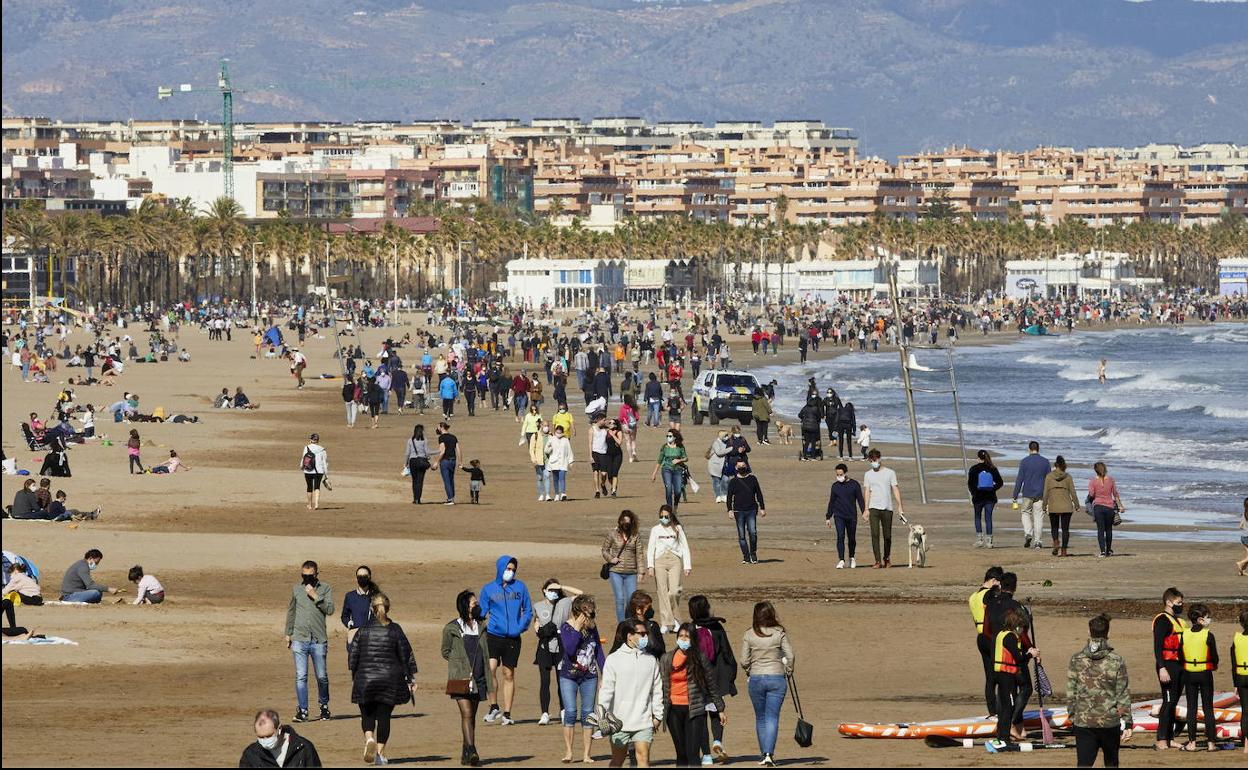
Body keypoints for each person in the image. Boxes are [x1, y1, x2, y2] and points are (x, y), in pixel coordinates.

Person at [349, 592, 418, 766]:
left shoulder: (363, 630)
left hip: (366, 678)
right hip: (390, 679)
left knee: (367, 714)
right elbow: (406, 654)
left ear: (372, 609)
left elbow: (353, 658)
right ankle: (379, 753)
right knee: (384, 717)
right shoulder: (395, 629)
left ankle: (369, 738)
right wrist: (411, 677)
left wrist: (356, 676)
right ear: (387, 608)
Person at [1067, 613, 1133, 769]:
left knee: (1083, 764)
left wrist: (1072, 716)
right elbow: (1122, 693)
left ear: (1089, 633)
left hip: (1084, 721)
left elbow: (1071, 692)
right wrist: (1128, 722)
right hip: (1109, 721)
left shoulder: (1076, 659)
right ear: (1108, 634)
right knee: (1111, 763)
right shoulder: (1116, 660)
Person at [599, 619, 664, 768]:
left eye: (646, 634)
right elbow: (607, 690)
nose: (645, 637)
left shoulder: (651, 659)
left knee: (643, 757)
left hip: (643, 720)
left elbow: (657, 689)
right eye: (641, 634)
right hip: (618, 721)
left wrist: (658, 715)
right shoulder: (614, 659)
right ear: (629, 635)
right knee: (618, 760)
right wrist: (602, 715)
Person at [479, 555, 534, 726]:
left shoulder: (520, 587)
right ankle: (493, 706)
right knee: (491, 669)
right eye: (508, 568)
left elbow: (528, 610)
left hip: (513, 638)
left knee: (508, 674)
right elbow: (482, 613)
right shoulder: (488, 589)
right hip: (494, 636)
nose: (510, 572)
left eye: (513, 569)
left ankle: (507, 713)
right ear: (500, 568)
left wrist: (521, 627)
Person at [662, 622, 726, 767]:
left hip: (695, 710)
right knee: (681, 753)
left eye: (687, 636)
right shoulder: (667, 658)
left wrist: (720, 709)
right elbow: (661, 686)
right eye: (681, 636)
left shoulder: (700, 658)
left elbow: (711, 684)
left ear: (693, 640)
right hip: (673, 710)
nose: (683, 639)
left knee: (693, 753)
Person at [443, 590, 490, 767]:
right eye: (473, 603)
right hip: (460, 678)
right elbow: (445, 651)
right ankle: (472, 750)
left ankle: (465, 753)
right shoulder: (452, 628)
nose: (476, 605)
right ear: (465, 606)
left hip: (478, 678)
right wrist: (459, 664)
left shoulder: (481, 626)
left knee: (471, 718)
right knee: (467, 714)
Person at [742, 601, 792, 768]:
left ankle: (764, 753)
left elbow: (743, 660)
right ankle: (770, 754)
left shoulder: (749, 634)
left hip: (756, 678)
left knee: (761, 718)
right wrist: (789, 669)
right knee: (772, 717)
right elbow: (790, 656)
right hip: (777, 677)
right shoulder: (779, 633)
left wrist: (749, 668)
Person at [689, 595, 739, 763]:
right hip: (717, 676)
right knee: (717, 711)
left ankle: (707, 756)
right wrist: (731, 675)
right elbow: (726, 652)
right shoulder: (716, 627)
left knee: (701, 716)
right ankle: (717, 740)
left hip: (698, 676)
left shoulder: (689, 629)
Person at [557, 595, 606, 763]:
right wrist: (577, 629)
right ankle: (569, 752)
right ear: (578, 613)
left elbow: (598, 651)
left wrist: (604, 674)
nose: (590, 619)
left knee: (588, 714)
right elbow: (570, 650)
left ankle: (586, 754)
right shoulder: (566, 627)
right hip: (568, 676)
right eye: (587, 615)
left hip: (589, 676)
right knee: (570, 712)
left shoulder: (593, 628)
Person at [284, 560, 334, 723]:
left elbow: (330, 609)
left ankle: (324, 707)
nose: (306, 579)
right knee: (301, 676)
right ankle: (303, 710)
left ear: (316, 574)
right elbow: (291, 611)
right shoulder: (296, 589)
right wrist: (288, 633)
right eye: (303, 576)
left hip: (318, 639)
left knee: (321, 676)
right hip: (299, 638)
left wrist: (315, 596)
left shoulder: (325, 588)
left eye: (309, 576)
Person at [533, 579, 581, 725]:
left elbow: (580, 594)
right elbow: (536, 622)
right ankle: (545, 713)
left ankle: (563, 710)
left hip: (561, 647)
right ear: (544, 590)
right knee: (545, 681)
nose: (553, 593)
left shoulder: (564, 603)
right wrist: (538, 631)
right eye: (550, 590)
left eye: (555, 591)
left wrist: (561, 586)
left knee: (562, 681)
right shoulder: (538, 606)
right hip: (545, 648)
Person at [991, 607, 1040, 745]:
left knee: (1006, 705)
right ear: (1017, 626)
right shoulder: (1010, 637)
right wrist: (1031, 654)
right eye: (1021, 628)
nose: (1022, 631)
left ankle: (1002, 735)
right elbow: (1019, 659)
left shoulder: (1002, 633)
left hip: (1001, 673)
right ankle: (1004, 738)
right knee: (1009, 707)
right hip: (1006, 675)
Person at [646, 505, 692, 634]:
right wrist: (651, 566)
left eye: (666, 516)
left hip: (674, 560)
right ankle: (666, 622)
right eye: (661, 516)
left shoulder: (678, 529)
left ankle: (676, 619)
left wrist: (687, 565)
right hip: (659, 560)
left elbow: (684, 546)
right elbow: (651, 548)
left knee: (674, 591)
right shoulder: (655, 530)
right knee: (662, 591)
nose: (664, 519)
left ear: (671, 516)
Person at [1152, 587, 1188, 750]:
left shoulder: (1180, 621)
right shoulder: (1162, 620)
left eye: (1182, 602)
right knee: (1168, 702)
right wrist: (1162, 668)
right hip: (1167, 665)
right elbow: (1158, 646)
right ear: (1168, 602)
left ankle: (1170, 738)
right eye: (1178, 602)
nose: (1181, 605)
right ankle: (1161, 739)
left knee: (1174, 702)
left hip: (1180, 665)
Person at [1180, 604, 1219, 751]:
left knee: (1192, 708)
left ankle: (1192, 743)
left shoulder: (1184, 634)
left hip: (1189, 674)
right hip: (1205, 673)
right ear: (1201, 619)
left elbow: (1180, 654)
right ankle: (1211, 743)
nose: (1209, 620)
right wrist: (1214, 665)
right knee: (1208, 708)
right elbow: (1214, 657)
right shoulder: (1208, 635)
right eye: (1207, 617)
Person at [970, 567, 1004, 717]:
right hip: (992, 637)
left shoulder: (972, 596)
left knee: (989, 678)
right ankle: (1001, 710)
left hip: (980, 637)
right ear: (993, 581)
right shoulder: (989, 595)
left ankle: (992, 711)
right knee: (1001, 675)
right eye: (999, 583)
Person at [238, 709, 322, 768]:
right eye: (261, 737)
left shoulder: (304, 748)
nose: (265, 740)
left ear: (279, 729)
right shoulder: (250, 755)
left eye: (269, 735)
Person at [862, 449, 904, 568]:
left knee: (887, 535)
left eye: (875, 460)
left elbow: (895, 489)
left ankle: (887, 557)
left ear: (879, 459)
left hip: (887, 507)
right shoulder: (868, 474)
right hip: (873, 507)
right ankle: (877, 560)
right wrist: (866, 509)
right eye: (871, 460)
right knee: (875, 534)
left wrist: (900, 505)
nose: (873, 462)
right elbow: (867, 492)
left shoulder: (890, 473)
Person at [603, 510, 643, 622]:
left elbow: (639, 553)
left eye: (628, 522)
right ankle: (621, 623)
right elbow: (604, 550)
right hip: (616, 571)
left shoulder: (635, 535)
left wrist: (641, 571)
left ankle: (629, 620)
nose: (625, 524)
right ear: (620, 521)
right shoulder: (612, 534)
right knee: (620, 598)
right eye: (624, 522)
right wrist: (611, 559)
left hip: (631, 571)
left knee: (631, 599)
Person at [1011, 441, 1051, 550]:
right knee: (1038, 516)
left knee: (1025, 512)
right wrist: (1049, 495)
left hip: (1027, 493)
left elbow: (1020, 479)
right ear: (1038, 449)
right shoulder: (1045, 462)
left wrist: (1015, 494)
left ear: (1029, 449)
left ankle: (1028, 533)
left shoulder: (1024, 461)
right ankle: (1038, 541)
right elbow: (1049, 480)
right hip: (1041, 493)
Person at [726, 460, 766, 564]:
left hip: (751, 509)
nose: (742, 467)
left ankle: (753, 553)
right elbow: (729, 497)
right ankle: (746, 557)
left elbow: (759, 493)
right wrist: (729, 510)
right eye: (739, 466)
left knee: (753, 532)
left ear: (747, 466)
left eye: (743, 465)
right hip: (738, 511)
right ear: (736, 468)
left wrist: (762, 508)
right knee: (742, 535)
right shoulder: (733, 481)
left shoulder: (753, 479)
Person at [826, 463, 865, 569]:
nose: (839, 476)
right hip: (839, 515)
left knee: (851, 538)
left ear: (845, 473)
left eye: (841, 474)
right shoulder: (835, 486)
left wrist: (864, 512)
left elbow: (860, 500)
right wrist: (828, 517)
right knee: (840, 536)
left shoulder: (854, 484)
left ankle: (852, 558)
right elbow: (832, 502)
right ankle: (841, 560)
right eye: (837, 475)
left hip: (851, 515)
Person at [1042, 455, 1079, 557]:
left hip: (1054, 505)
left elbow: (1045, 492)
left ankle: (1056, 542)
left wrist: (1044, 505)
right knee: (1065, 529)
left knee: (1054, 527)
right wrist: (1077, 505)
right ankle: (1063, 551)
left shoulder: (1049, 476)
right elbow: (1073, 492)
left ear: (1055, 465)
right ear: (1064, 465)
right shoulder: (1068, 477)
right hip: (1066, 506)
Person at [967, 449, 1003, 549]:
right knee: (988, 518)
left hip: (978, 497)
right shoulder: (992, 468)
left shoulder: (974, 469)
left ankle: (979, 540)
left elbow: (970, 484)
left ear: (978, 458)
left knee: (977, 517)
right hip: (990, 497)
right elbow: (1000, 482)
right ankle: (989, 541)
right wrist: (992, 489)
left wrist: (974, 493)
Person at [1088, 461, 1124, 558]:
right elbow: (1115, 494)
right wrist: (1121, 506)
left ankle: (1102, 551)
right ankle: (1108, 551)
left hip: (1098, 507)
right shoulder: (1111, 480)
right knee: (1109, 529)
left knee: (1100, 530)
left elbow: (1091, 494)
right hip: (1110, 507)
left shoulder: (1092, 481)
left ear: (1095, 470)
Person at [651, 429, 688, 511]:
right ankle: (670, 509)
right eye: (667, 436)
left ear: (675, 437)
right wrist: (654, 473)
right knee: (668, 489)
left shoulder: (680, 447)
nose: (668, 437)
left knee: (678, 491)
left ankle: (675, 507)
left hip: (678, 470)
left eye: (670, 436)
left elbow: (686, 458)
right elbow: (659, 461)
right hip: (666, 469)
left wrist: (679, 460)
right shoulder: (665, 447)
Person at [1231, 607, 1247, 755]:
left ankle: (1246, 744)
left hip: (1241, 677)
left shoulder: (1237, 639)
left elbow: (1234, 663)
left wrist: (1235, 684)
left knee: (1245, 711)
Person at [544, 424, 574, 501]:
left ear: (562, 432)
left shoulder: (566, 440)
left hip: (563, 462)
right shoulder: (551, 439)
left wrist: (571, 461)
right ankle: (557, 494)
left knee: (562, 477)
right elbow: (546, 450)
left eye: (560, 433)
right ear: (555, 432)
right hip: (554, 462)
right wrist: (550, 448)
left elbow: (569, 451)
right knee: (555, 479)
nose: (558, 434)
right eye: (557, 432)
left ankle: (563, 493)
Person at [300, 434, 328, 511]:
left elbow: (304, 458)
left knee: (309, 487)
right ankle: (316, 504)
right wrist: (326, 474)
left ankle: (309, 505)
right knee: (317, 487)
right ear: (318, 440)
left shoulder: (307, 447)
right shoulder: (322, 449)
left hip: (308, 470)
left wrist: (301, 467)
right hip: (319, 471)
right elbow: (325, 462)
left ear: (311, 440)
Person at [433, 422, 460, 505]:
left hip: (445, 461)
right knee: (451, 480)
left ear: (442, 427)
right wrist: (460, 461)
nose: (437, 429)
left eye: (438, 427)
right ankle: (451, 497)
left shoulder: (441, 437)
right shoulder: (453, 437)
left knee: (447, 480)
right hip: (453, 460)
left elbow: (442, 451)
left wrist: (436, 462)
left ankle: (450, 499)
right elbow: (458, 450)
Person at [404, 425, 430, 504]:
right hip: (422, 461)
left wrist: (406, 463)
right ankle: (418, 499)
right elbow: (427, 452)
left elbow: (407, 453)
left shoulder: (410, 440)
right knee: (420, 481)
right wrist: (439, 451)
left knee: (414, 481)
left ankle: (415, 498)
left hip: (413, 461)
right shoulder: (424, 440)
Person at [707, 430, 731, 504]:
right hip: (715, 466)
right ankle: (718, 495)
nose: (727, 437)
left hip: (724, 465)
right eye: (725, 436)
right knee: (716, 481)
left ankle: (724, 494)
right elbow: (719, 452)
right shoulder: (716, 443)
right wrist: (730, 449)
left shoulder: (727, 442)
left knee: (726, 479)